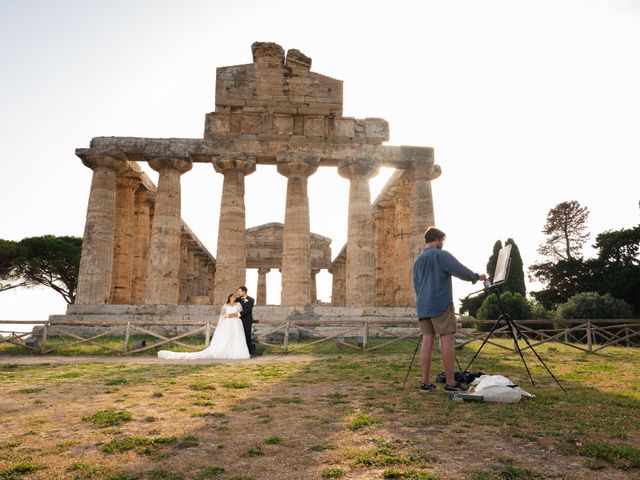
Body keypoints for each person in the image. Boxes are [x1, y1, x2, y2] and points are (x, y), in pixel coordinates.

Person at [412, 227, 487, 393]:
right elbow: (459, 270)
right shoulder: (441, 255)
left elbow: (416, 285)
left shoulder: (417, 260)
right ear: (437, 239)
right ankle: (451, 383)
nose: (442, 244)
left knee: (427, 342)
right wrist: (476, 276)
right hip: (440, 303)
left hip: (423, 306)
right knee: (446, 341)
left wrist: (422, 301)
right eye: (442, 240)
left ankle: (425, 383)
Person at [157, 293, 249, 360]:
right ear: (229, 297)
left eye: (234, 297)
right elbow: (223, 315)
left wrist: (231, 315)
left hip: (236, 323)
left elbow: (239, 313)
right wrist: (228, 316)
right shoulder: (225, 305)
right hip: (228, 323)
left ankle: (236, 353)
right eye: (232, 296)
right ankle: (225, 352)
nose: (233, 298)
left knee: (236, 337)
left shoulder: (238, 304)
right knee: (227, 338)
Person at [236, 286, 255, 355]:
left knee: (247, 335)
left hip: (247, 320)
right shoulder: (237, 299)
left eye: (239, 291)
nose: (238, 293)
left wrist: (239, 314)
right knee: (239, 335)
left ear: (244, 292)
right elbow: (230, 303)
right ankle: (239, 351)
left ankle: (249, 352)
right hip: (238, 320)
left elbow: (248, 310)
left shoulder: (251, 300)